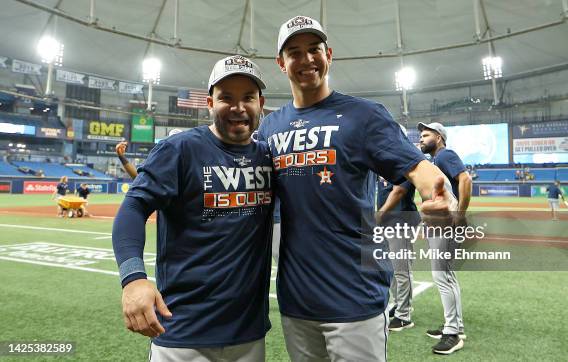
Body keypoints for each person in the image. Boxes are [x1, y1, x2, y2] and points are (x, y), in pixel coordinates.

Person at [258, 15, 456, 361]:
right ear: (281, 63)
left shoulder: (363, 116)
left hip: (356, 298)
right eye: (294, 52)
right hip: (296, 300)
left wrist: (439, 194)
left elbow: (417, 168)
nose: (306, 59)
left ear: (329, 55)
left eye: (314, 49)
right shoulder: (270, 127)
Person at [112, 55, 273, 362]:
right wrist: (133, 278)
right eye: (226, 97)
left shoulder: (268, 156)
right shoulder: (180, 149)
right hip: (183, 334)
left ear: (260, 103)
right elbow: (134, 207)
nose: (238, 107)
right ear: (210, 103)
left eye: (248, 98)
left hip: (249, 334)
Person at [417, 121, 472, 355]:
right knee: (447, 275)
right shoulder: (436, 160)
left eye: (426, 134)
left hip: (447, 225)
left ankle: (453, 334)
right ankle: (454, 326)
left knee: (442, 276)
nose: (421, 138)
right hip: (441, 224)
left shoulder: (445, 154)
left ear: (439, 137)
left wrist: (460, 215)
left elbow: (466, 180)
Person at [376, 177, 419, 332]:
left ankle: (404, 316)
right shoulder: (382, 165)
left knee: (402, 270)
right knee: (392, 269)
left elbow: (399, 191)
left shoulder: (401, 165)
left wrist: (379, 214)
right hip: (387, 222)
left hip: (401, 222)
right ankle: (398, 304)